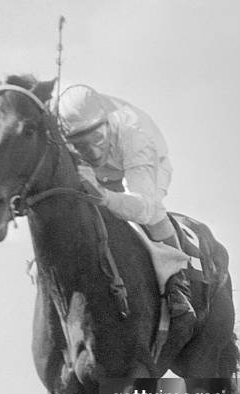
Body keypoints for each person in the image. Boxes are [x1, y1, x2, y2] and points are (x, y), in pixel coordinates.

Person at [58, 84, 196, 322]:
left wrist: (105, 196)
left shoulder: (136, 136)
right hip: (104, 170)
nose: (91, 151)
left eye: (97, 138)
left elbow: (143, 209)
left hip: (146, 164)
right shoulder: (68, 135)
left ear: (108, 125)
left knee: (152, 215)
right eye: (80, 145)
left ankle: (178, 285)